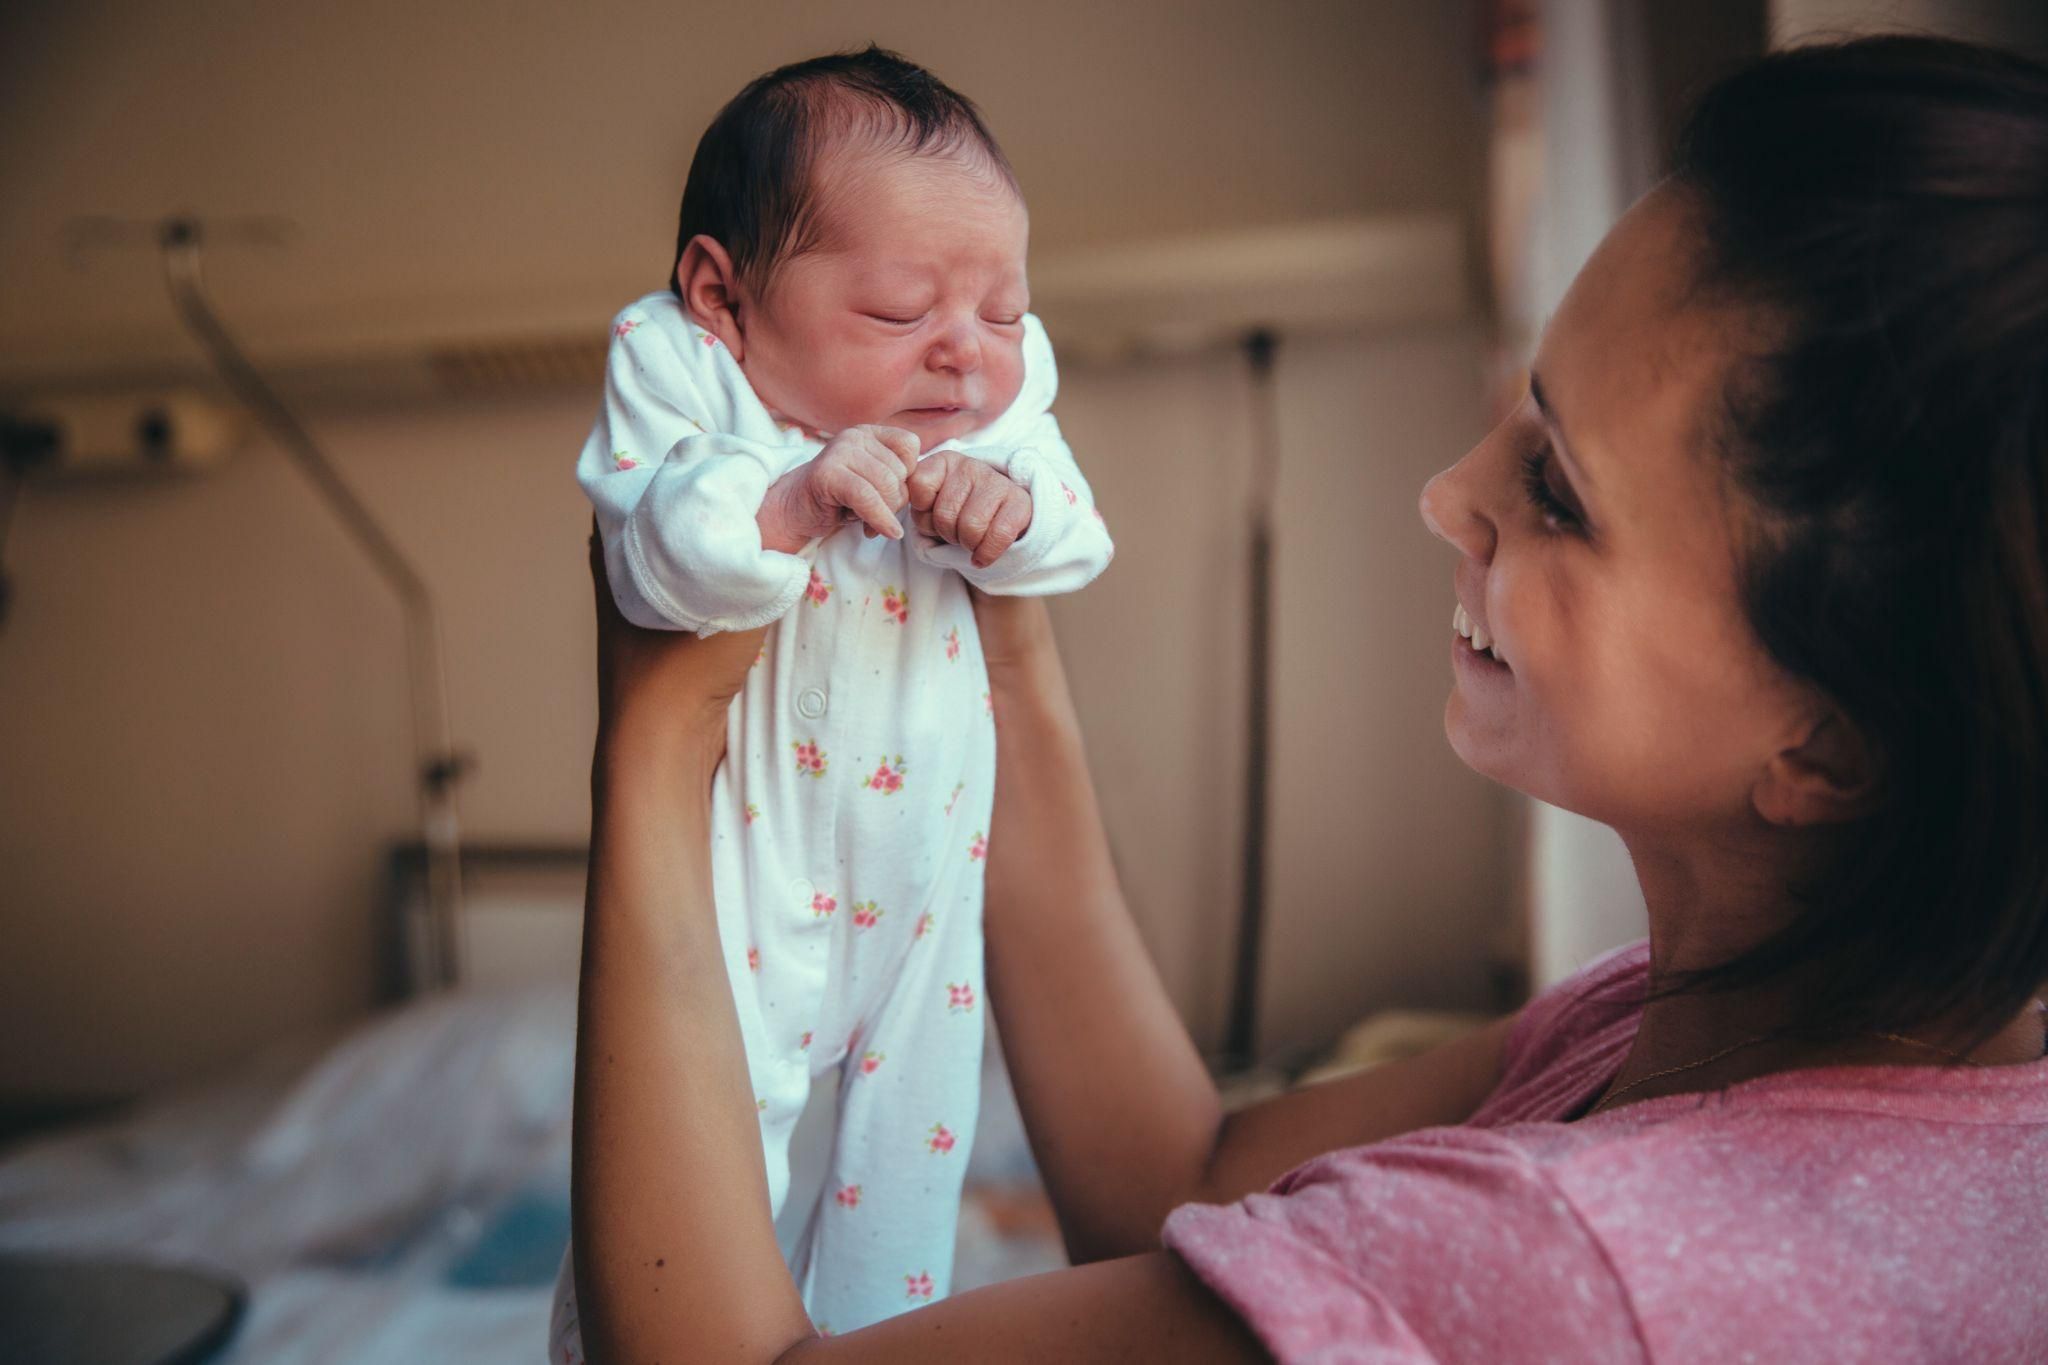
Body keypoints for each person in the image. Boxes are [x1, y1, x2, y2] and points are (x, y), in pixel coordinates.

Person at [566, 36, 2048, 1362]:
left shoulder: (1551, 1264)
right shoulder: (1716, 1029)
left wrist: (652, 738)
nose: (1445, 493)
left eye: (1554, 490)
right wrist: (988, 612)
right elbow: (1179, 1177)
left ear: (1832, 739)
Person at [554, 46, 1113, 1359]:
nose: (965, 355)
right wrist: (789, 501)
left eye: (1004, 309)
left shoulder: (997, 398)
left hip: (923, 868)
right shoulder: (678, 365)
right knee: (691, 1141)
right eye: (900, 311)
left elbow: (1075, 535)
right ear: (724, 295)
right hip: (741, 869)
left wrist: (1011, 513)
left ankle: (876, 1333)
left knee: (907, 1154)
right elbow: (655, 550)